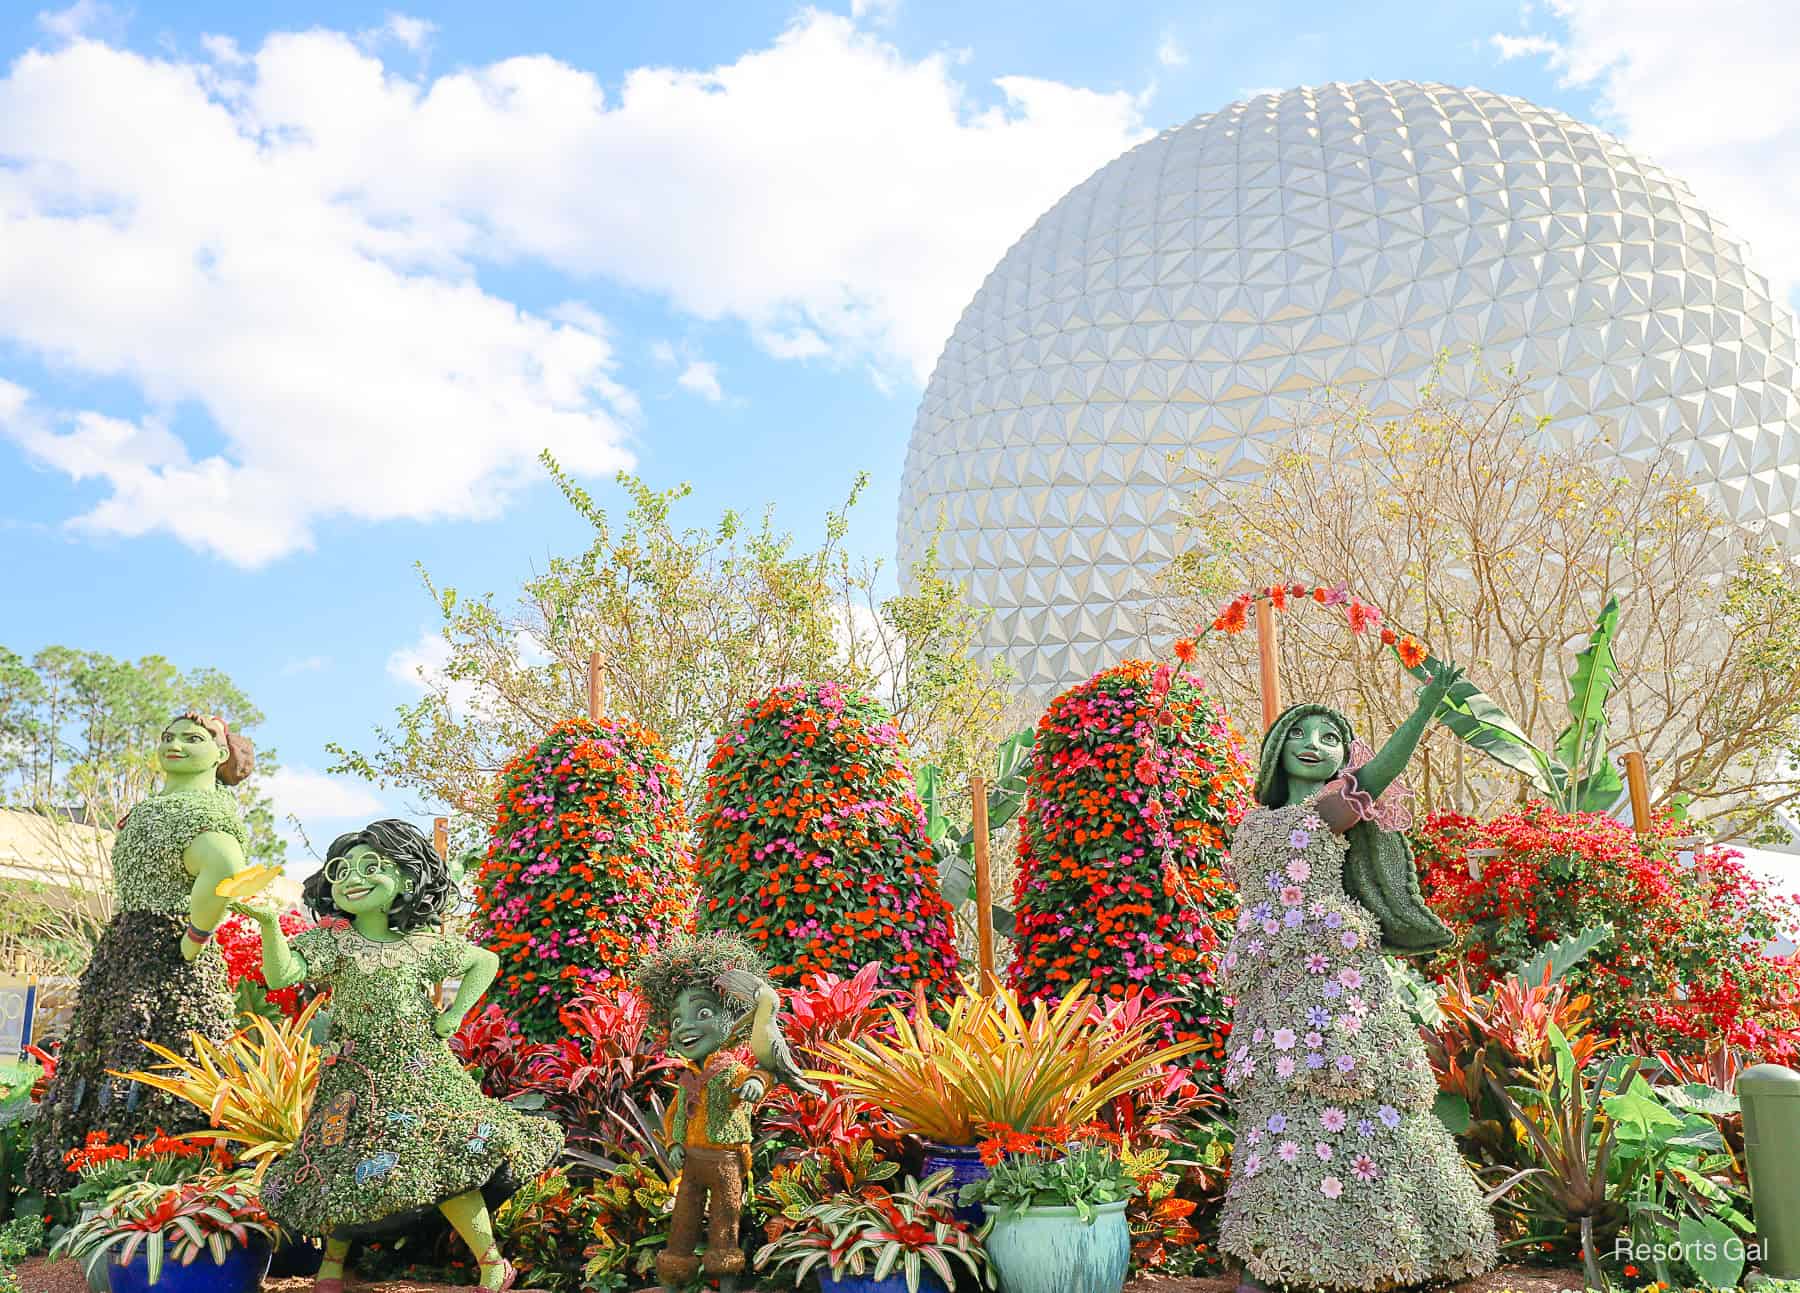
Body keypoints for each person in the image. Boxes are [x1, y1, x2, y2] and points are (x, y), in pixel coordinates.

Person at [1217, 666, 1499, 1291]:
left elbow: (1382, 773)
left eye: (1332, 737)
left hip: (1330, 966)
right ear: (1278, 748)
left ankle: (1388, 1249)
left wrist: (1426, 706)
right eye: (1302, 733)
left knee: (1346, 1088)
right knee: (1279, 1094)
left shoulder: (1329, 809)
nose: (1315, 743)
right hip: (1269, 965)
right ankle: (1276, 1251)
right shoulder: (1251, 820)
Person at [238, 819, 562, 1293]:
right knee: (340, 1160)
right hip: (351, 1074)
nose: (352, 876)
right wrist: (269, 925)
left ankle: (491, 1260)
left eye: (373, 867)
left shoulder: (422, 944)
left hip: (423, 1071)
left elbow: (483, 961)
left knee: (447, 1155)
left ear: (409, 880)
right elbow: (282, 975)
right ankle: (332, 1264)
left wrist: (453, 1017)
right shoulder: (335, 941)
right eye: (341, 869)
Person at [26, 712, 255, 1191]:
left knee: (168, 1060)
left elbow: (224, 867)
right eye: (168, 736)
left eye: (192, 738)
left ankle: (168, 1180)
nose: (174, 744)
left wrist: (194, 938)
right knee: (104, 1055)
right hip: (123, 947)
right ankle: (91, 1181)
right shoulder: (151, 808)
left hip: (170, 954)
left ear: (219, 754)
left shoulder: (207, 813)